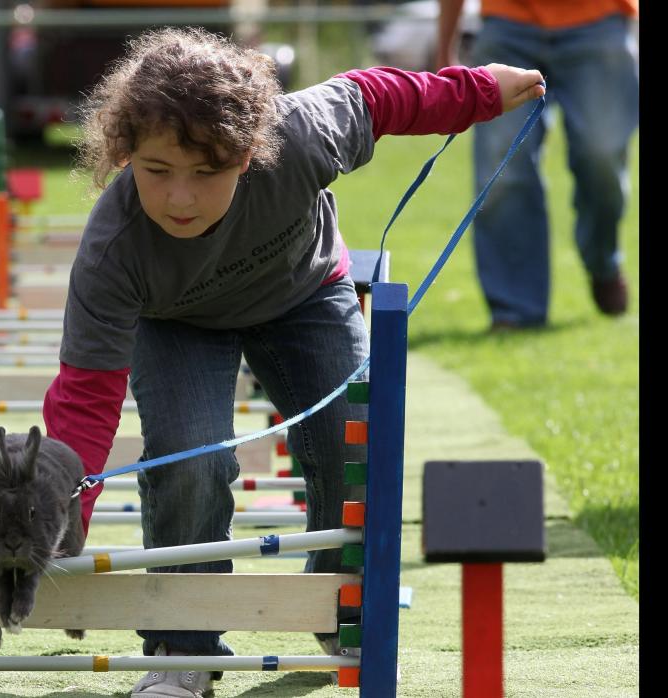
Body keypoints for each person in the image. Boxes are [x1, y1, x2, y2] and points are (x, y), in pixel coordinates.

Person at [42, 26, 544, 698]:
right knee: (191, 458)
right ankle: (180, 646)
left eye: (207, 173)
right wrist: (61, 508)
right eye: (157, 172)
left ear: (248, 154)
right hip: (178, 324)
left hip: (304, 294)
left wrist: (480, 90)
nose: (180, 199)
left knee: (352, 434)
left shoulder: (302, 135)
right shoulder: (114, 250)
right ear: (125, 154)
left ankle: (337, 600)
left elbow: (382, 97)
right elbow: (86, 397)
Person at [436, 0, 639, 328]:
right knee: (503, 169)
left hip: (600, 20)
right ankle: (515, 312)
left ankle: (603, 261)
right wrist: (445, 45)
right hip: (508, 24)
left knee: (601, 158)